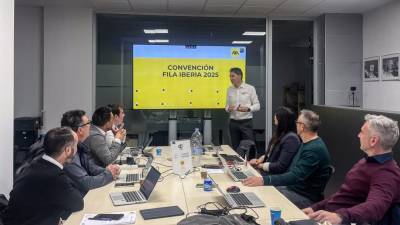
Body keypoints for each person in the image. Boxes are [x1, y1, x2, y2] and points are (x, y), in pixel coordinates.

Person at [303, 114, 400, 225]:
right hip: (328, 216)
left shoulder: (386, 173)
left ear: (373, 140)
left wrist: (340, 216)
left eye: (362, 132)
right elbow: (344, 195)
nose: (358, 135)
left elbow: (375, 206)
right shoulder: (367, 161)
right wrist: (315, 208)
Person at [243, 109, 332, 209]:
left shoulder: (314, 149)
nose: (295, 125)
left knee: (262, 197)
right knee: (259, 191)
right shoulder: (307, 143)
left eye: (297, 122)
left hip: (304, 197)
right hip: (293, 189)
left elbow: (294, 176)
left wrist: (264, 180)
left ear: (302, 126)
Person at [3, 127, 84, 225]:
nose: (76, 149)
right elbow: (78, 203)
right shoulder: (55, 176)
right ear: (67, 150)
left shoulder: (34, 164)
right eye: (75, 146)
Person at [62, 110, 120, 193]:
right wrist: (109, 175)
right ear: (80, 130)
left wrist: (108, 170)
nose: (91, 125)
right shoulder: (68, 152)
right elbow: (86, 183)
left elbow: (91, 168)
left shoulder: (79, 145)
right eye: (88, 123)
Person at [249, 106, 300, 174]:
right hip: (267, 172)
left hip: (273, 177)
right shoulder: (281, 134)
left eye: (276, 115)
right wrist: (261, 159)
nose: (274, 116)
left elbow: (280, 166)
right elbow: (275, 154)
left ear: (281, 119)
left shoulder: (291, 139)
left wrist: (259, 166)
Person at [225, 67, 260, 151]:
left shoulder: (250, 88)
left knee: (249, 147)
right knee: (236, 147)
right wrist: (228, 108)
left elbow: (257, 105)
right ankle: (238, 164)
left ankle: (250, 163)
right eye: (230, 76)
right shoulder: (229, 89)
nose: (231, 78)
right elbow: (226, 107)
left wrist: (248, 109)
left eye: (233, 76)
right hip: (233, 123)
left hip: (246, 122)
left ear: (240, 76)